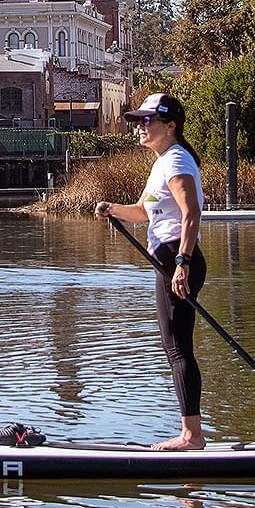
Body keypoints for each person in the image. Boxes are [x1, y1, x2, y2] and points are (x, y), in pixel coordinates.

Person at [95, 93, 207, 450]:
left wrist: (183, 263)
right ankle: (192, 433)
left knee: (178, 349)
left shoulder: (176, 160)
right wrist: (113, 208)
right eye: (138, 121)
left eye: (147, 121)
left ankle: (192, 436)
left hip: (177, 259)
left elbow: (191, 213)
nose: (140, 127)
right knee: (175, 348)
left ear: (170, 126)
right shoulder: (163, 163)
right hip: (171, 260)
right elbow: (144, 212)